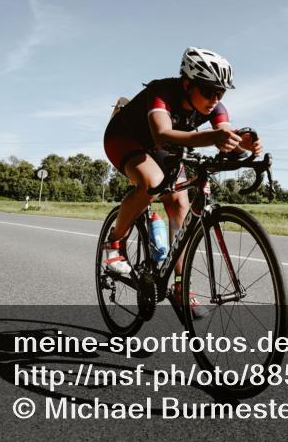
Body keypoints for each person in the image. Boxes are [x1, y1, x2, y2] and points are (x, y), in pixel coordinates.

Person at [102, 47, 262, 313]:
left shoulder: (215, 106)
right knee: (152, 182)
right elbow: (162, 134)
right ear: (187, 83)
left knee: (179, 204)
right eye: (208, 91)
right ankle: (115, 243)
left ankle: (180, 286)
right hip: (125, 138)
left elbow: (224, 133)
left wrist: (245, 145)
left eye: (220, 92)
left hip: (163, 148)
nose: (215, 98)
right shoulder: (162, 92)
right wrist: (213, 138)